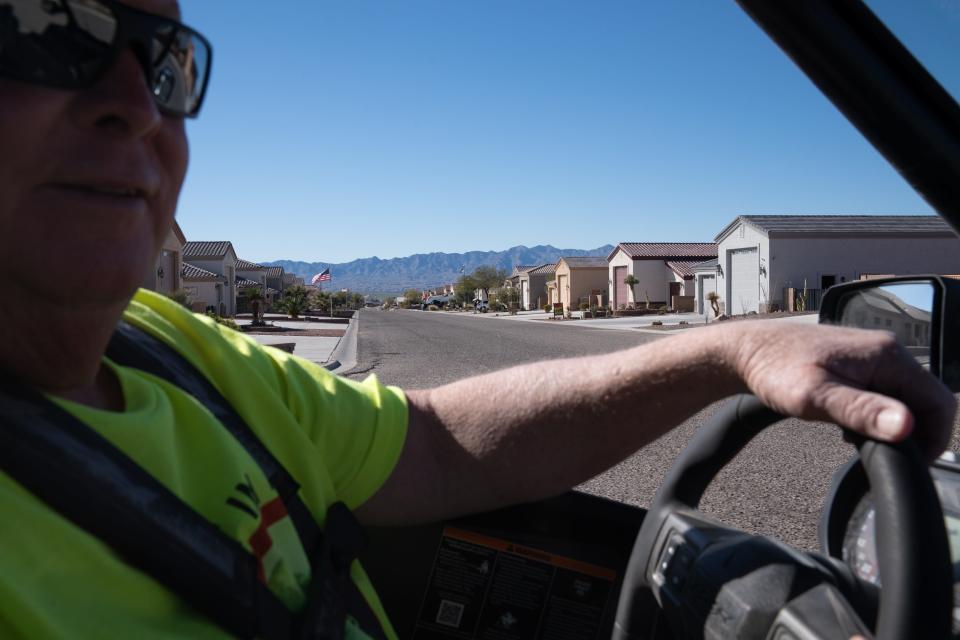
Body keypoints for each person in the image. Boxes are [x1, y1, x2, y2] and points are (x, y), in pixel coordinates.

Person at [0, 1, 955, 638]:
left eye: (163, 62)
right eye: (56, 28)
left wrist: (735, 345)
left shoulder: (172, 345)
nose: (135, 104)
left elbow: (441, 442)